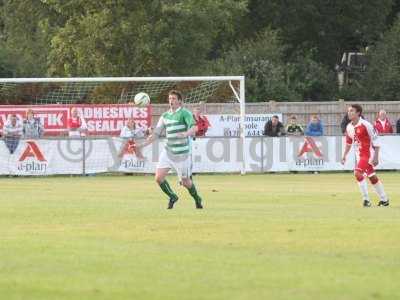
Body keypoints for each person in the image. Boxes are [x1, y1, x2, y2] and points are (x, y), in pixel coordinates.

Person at [138, 90, 203, 209]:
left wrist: (186, 133)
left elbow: (195, 127)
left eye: (173, 98)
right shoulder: (165, 116)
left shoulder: (185, 113)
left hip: (182, 154)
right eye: (169, 99)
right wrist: (140, 145)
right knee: (158, 178)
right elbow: (156, 134)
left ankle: (197, 198)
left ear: (179, 101)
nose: (171, 101)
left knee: (185, 182)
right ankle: (173, 196)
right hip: (168, 152)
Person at [342, 104, 389, 207]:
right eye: (348, 111)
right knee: (372, 177)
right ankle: (384, 199)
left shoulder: (366, 124)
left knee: (357, 173)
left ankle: (366, 200)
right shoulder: (349, 127)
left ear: (358, 113)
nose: (349, 113)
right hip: (359, 155)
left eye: (352, 111)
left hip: (368, 155)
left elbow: (376, 139)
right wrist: (344, 155)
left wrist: (376, 156)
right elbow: (349, 143)